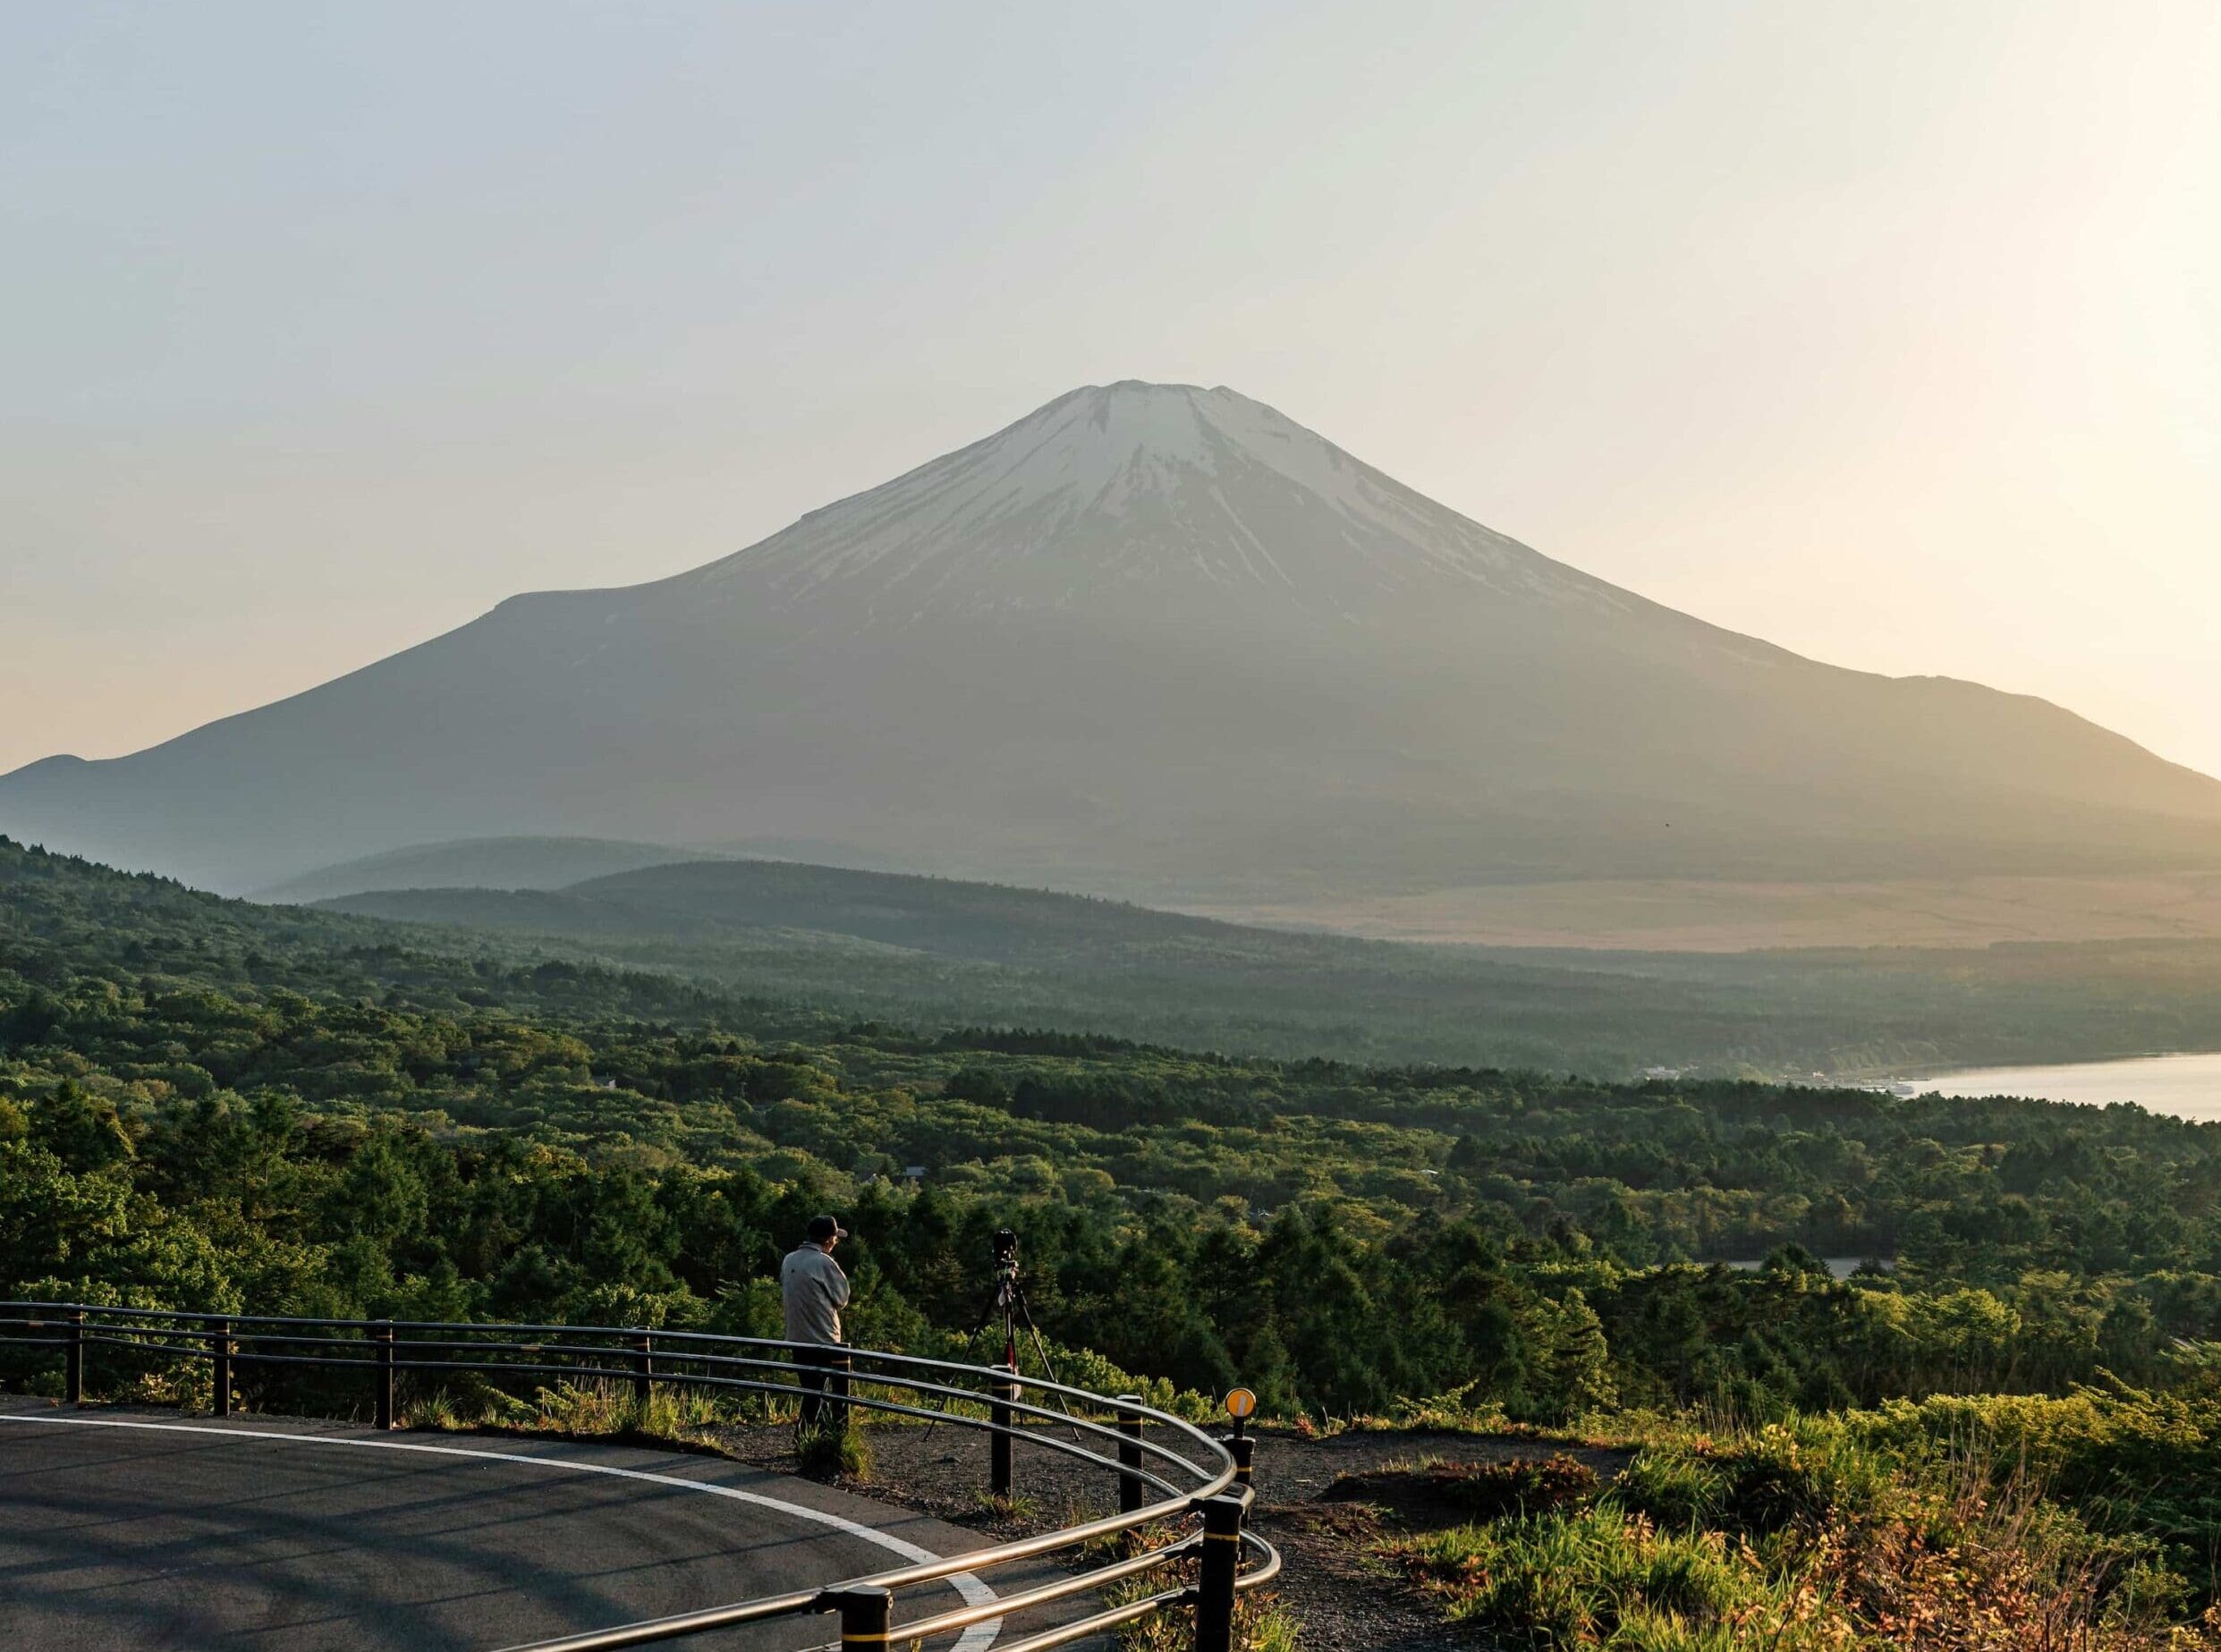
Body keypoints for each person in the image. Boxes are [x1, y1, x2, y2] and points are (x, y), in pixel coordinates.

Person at [780, 1213, 852, 1426]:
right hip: (823, 1338)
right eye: (835, 1238)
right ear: (829, 1240)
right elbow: (842, 1299)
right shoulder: (824, 1263)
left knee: (811, 1391)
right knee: (821, 1394)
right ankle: (809, 1437)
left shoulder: (789, 1259)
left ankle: (813, 1436)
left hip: (796, 1337)